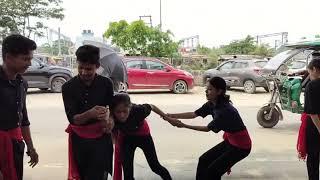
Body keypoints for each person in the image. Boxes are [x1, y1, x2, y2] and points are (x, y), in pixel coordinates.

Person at [166, 77, 251, 180]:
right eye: (206, 89)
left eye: (210, 89)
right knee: (203, 160)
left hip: (241, 147)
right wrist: (172, 116)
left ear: (219, 91)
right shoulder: (211, 104)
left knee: (213, 172)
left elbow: (207, 128)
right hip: (231, 141)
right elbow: (194, 114)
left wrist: (183, 125)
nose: (206, 92)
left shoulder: (225, 111)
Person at [62, 45, 114, 180]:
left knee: (100, 175)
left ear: (97, 66)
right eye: (80, 68)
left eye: (89, 69)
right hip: (80, 142)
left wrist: (110, 121)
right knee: (81, 176)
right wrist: (90, 114)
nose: (84, 72)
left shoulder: (106, 84)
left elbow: (112, 109)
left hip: (102, 140)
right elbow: (72, 119)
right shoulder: (68, 87)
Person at [0, 34, 39, 180]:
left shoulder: (22, 83)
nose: (29, 63)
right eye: (25, 59)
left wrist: (30, 147)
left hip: (16, 145)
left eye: (30, 59)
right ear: (9, 57)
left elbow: (23, 118)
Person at [110, 93, 172, 180]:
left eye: (125, 111)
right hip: (127, 138)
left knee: (155, 166)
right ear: (113, 111)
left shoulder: (139, 110)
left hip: (144, 136)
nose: (122, 115)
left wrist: (167, 117)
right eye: (118, 112)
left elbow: (152, 106)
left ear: (130, 108)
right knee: (127, 172)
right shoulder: (111, 117)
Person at [297, 58, 320, 180]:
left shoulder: (312, 86)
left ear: (315, 69)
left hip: (315, 127)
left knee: (313, 158)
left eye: (310, 72)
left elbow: (313, 113)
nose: (309, 75)